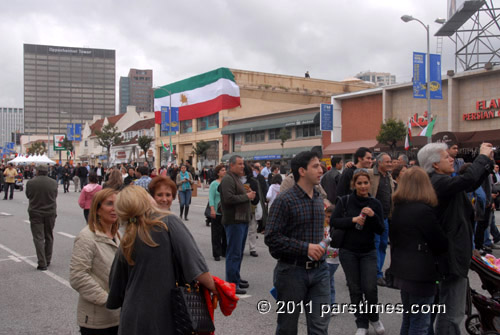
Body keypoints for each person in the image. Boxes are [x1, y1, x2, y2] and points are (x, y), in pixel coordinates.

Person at [106, 186, 217, 335]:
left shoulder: (127, 238)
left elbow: (115, 290)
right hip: (166, 316)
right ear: (147, 200)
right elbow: (196, 266)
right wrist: (216, 288)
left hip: (132, 320)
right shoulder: (168, 222)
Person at [418, 142, 493, 334]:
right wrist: (482, 157)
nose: (453, 158)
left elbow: (469, 181)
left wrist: (486, 163)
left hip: (448, 257)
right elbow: (467, 180)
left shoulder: (439, 181)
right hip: (450, 259)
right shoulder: (437, 182)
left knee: (441, 307)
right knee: (452, 312)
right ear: (435, 164)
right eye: (446, 157)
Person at [265, 151, 331, 334]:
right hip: (291, 272)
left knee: (319, 327)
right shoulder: (284, 201)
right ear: (302, 171)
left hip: (320, 272)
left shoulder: (319, 199)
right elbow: (271, 237)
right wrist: (305, 248)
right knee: (287, 327)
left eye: (320, 166)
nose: (321, 169)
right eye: (315, 166)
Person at [388, 167, 448, 335]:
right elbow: (440, 242)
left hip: (402, 270)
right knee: (420, 322)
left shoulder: (398, 209)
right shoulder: (424, 211)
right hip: (421, 274)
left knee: (408, 318)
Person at [331, 169, 385, 335]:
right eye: (359, 183)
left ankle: (374, 317)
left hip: (368, 251)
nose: (363, 186)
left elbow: (381, 229)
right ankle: (361, 323)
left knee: (370, 288)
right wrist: (352, 220)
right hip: (348, 251)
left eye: (366, 183)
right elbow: (334, 221)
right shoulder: (346, 201)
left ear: (370, 184)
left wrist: (373, 216)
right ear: (354, 184)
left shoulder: (375, 203)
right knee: (355, 289)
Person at [69, 189, 120, 335]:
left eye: (117, 204)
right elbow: (78, 276)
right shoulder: (86, 237)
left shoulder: (117, 234)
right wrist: (108, 299)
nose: (114, 209)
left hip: (118, 316)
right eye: (109, 204)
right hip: (96, 320)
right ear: (97, 209)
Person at [220, 155, 256, 295]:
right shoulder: (228, 179)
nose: (243, 166)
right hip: (234, 221)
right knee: (233, 253)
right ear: (232, 165)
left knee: (238, 253)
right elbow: (228, 199)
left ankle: (236, 277)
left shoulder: (236, 178)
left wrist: (248, 194)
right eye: (240, 164)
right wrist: (246, 197)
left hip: (241, 220)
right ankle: (231, 283)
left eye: (243, 164)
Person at [367, 153, 395, 287]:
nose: (390, 164)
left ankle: (377, 271)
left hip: (386, 216)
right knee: (376, 244)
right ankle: (376, 273)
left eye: (390, 162)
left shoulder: (388, 176)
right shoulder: (371, 174)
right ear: (379, 163)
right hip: (374, 217)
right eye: (387, 162)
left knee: (383, 244)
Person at [26, 164, 58, 271]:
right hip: (50, 212)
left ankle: (42, 262)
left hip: (36, 212)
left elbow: (28, 195)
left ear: (37, 171)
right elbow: (55, 195)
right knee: (49, 236)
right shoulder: (53, 182)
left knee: (38, 238)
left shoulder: (31, 182)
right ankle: (48, 259)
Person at [209, 164, 227, 261]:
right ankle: (216, 253)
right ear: (218, 173)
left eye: (225, 170)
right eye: (222, 170)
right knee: (216, 233)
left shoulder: (226, 182)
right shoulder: (214, 184)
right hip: (216, 211)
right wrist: (212, 209)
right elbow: (211, 197)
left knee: (225, 233)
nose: (224, 171)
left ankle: (224, 251)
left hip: (226, 212)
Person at [243, 163, 261, 257]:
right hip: (239, 208)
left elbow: (257, 197)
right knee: (241, 230)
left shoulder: (253, 181)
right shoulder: (235, 180)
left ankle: (252, 248)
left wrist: (251, 192)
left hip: (251, 208)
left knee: (252, 229)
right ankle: (240, 247)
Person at [324, 205, 340, 306]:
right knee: (330, 283)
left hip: (332, 260)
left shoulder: (337, 229)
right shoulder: (326, 227)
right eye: (326, 216)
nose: (327, 219)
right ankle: (331, 304)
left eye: (330, 217)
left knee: (324, 282)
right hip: (326, 259)